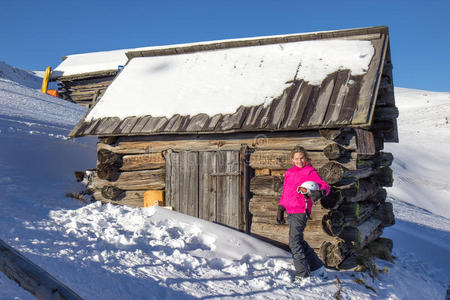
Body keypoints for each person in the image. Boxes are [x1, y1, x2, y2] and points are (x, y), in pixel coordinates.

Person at [277, 146, 330, 283]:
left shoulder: (309, 171)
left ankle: (302, 274)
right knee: (298, 241)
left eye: (301, 158)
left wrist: (321, 192)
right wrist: (281, 207)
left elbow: (325, 186)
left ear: (305, 158)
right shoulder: (289, 173)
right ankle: (317, 268)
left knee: (294, 243)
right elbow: (286, 192)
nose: (299, 161)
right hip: (290, 211)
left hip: (301, 210)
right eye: (296, 158)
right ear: (292, 159)